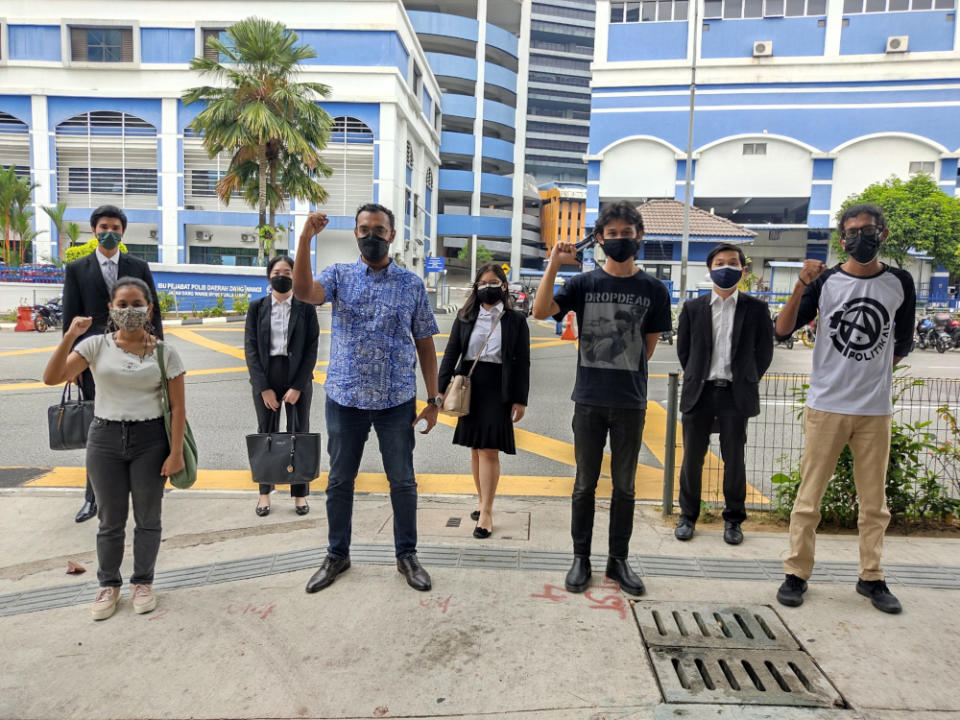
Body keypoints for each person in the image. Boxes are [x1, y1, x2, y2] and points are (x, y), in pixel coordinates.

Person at [773, 203, 915, 614]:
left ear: (883, 234)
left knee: (874, 502)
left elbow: (900, 344)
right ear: (842, 240)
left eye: (868, 230)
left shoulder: (899, 283)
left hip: (874, 411)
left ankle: (871, 577)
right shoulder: (827, 282)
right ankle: (796, 573)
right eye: (852, 232)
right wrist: (801, 284)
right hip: (826, 407)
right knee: (808, 499)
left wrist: (869, 378)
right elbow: (782, 330)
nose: (860, 238)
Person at [293, 204, 440, 593]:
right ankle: (337, 554)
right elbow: (305, 292)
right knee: (340, 480)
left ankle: (406, 555)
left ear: (392, 235)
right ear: (355, 233)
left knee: (403, 481)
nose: (371, 235)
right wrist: (306, 237)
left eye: (379, 229)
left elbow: (425, 343)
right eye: (364, 229)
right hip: (345, 397)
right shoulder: (339, 275)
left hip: (396, 400)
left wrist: (434, 398)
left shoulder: (411, 285)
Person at [532, 201, 672, 597]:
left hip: (630, 401)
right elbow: (541, 310)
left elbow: (648, 348)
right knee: (584, 484)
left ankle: (618, 560)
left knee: (625, 487)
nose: (619, 240)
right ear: (601, 239)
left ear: (639, 237)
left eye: (626, 234)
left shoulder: (653, 290)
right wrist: (554, 264)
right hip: (589, 400)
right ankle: (581, 559)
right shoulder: (584, 284)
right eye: (611, 235)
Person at [42, 277, 185, 620]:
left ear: (149, 308)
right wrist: (70, 336)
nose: (130, 311)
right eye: (122, 305)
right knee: (110, 520)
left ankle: (143, 582)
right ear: (111, 308)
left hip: (151, 440)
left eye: (137, 304)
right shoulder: (95, 346)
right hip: (104, 439)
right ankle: (108, 583)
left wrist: (176, 452)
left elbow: (178, 408)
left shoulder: (165, 352)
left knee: (149, 518)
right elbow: (52, 377)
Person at [61, 205, 163, 523]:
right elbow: (70, 318)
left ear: (123, 232)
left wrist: (159, 354)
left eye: (116, 227)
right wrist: (71, 366)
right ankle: (93, 498)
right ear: (94, 230)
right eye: (104, 226)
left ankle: (139, 491)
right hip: (95, 359)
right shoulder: (77, 269)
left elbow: (154, 312)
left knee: (142, 422)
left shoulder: (138, 266)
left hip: (137, 355)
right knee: (98, 428)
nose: (110, 231)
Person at [674, 243, 774, 545]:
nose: (726, 267)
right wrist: (697, 376)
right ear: (710, 269)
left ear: (743, 269)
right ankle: (687, 516)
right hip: (700, 393)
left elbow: (764, 353)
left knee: (735, 460)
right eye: (720, 262)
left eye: (733, 262)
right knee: (692, 458)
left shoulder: (756, 309)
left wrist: (746, 378)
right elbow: (685, 351)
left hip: (735, 395)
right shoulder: (693, 309)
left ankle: (733, 520)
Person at [438, 263, 530, 538]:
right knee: (476, 449)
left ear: (503, 286)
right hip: (469, 385)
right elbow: (452, 351)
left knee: (489, 450)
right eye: (481, 283)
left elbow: (523, 362)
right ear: (476, 287)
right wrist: (440, 389)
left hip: (498, 388)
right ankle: (482, 500)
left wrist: (520, 399)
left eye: (493, 283)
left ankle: (487, 511)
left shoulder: (516, 320)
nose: (486, 288)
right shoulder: (466, 316)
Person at [244, 255, 320, 516]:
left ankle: (300, 494)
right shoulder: (257, 308)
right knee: (266, 433)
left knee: (299, 433)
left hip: (297, 377)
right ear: (269, 276)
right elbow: (251, 349)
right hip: (266, 376)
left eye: (288, 272)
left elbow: (312, 349)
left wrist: (298, 385)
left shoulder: (306, 308)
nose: (283, 276)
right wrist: (263, 387)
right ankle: (264, 494)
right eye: (277, 272)